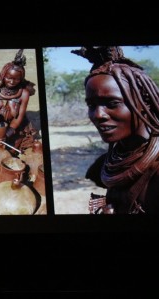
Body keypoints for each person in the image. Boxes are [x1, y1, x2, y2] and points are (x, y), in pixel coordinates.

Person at [72, 46, 159, 214]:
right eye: (91, 105)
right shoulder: (110, 162)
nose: (98, 115)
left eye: (112, 104)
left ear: (144, 103)